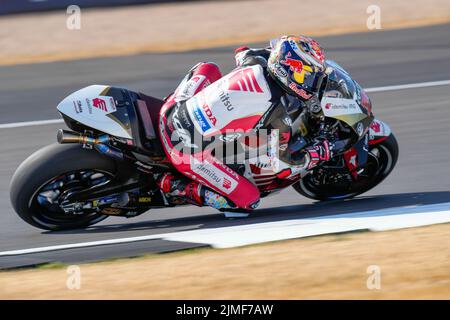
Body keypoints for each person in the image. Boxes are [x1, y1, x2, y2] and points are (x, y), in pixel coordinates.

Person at [157, 35, 333, 216]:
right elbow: (281, 167)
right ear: (290, 70)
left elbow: (241, 52)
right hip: (184, 150)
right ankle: (175, 186)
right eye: (308, 74)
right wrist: (316, 154)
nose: (311, 81)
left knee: (208, 67)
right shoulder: (279, 112)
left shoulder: (254, 60)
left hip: (171, 109)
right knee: (248, 201)